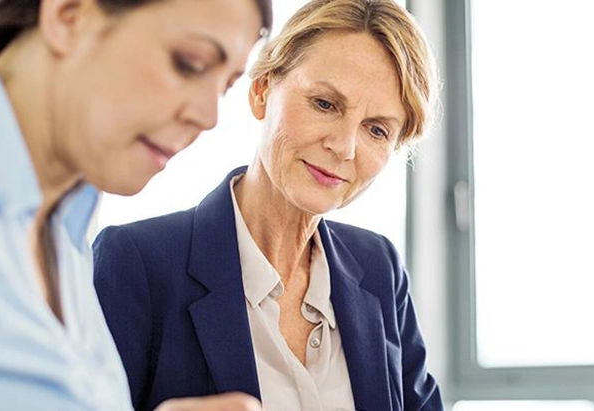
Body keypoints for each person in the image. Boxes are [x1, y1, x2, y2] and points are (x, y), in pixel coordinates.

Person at [92, 0, 443, 410]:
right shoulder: (136, 263)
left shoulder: (379, 268)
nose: (344, 147)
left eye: (377, 130)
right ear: (261, 90)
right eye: (325, 104)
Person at [0, 0, 272, 409]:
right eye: (190, 63)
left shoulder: (67, 232)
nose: (208, 116)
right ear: (68, 15)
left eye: (225, 86)